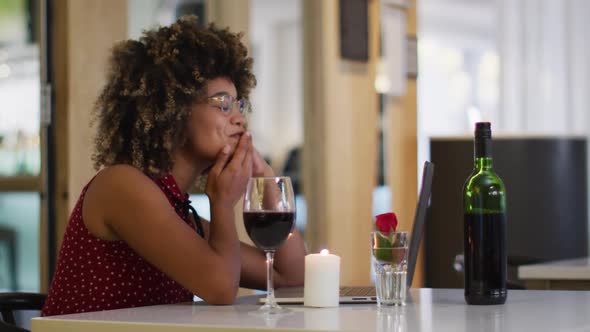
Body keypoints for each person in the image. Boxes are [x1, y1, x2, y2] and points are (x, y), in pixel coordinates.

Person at [41, 16, 306, 316]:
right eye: (223, 104)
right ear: (174, 112)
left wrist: (265, 177)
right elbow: (220, 288)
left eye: (239, 106)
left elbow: (292, 278)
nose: (240, 119)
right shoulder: (122, 185)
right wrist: (220, 202)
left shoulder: (177, 209)